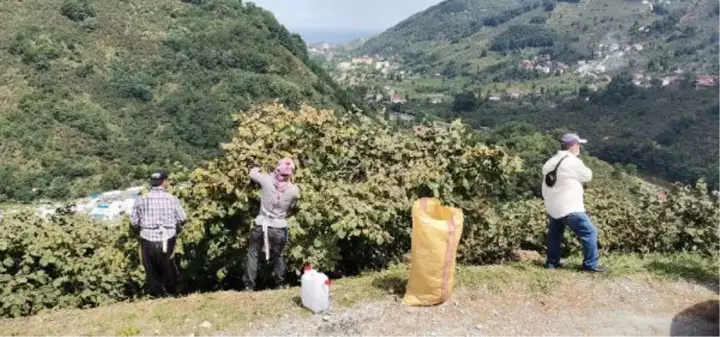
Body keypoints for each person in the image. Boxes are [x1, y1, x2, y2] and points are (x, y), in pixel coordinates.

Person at [541, 134, 606, 273]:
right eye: (579, 145)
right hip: (570, 206)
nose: (580, 148)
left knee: (555, 234)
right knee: (590, 232)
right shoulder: (572, 162)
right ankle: (590, 265)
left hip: (553, 205)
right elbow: (588, 176)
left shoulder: (551, 161)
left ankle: (552, 263)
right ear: (574, 146)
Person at [243, 158, 301, 291]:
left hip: (261, 223)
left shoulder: (267, 180)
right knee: (278, 255)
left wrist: (257, 168)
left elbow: (252, 173)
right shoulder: (294, 190)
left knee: (253, 253)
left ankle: (249, 286)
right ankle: (280, 284)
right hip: (278, 227)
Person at [130, 170, 187, 297]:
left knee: (152, 271)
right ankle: (172, 294)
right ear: (164, 182)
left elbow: (134, 221)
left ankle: (157, 296)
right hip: (168, 238)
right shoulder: (172, 199)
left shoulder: (140, 200)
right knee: (168, 267)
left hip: (147, 238)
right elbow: (183, 218)